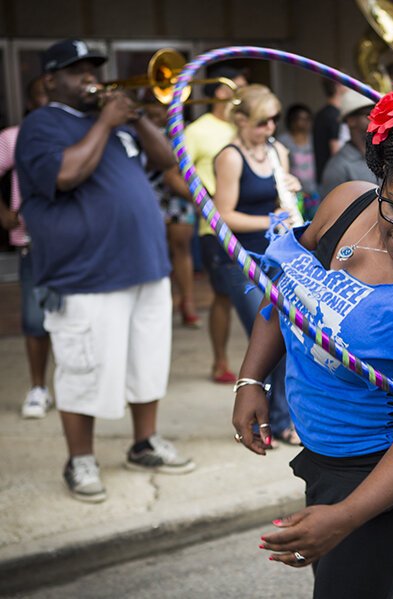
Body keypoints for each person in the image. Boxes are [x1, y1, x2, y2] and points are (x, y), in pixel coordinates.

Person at [232, 88, 393, 598]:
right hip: (322, 449)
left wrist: (345, 516)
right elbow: (284, 285)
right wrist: (252, 378)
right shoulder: (345, 204)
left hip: (380, 473)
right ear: (379, 181)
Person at [15, 39, 194, 503]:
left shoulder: (116, 125)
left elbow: (167, 160)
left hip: (144, 265)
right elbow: (66, 174)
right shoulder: (41, 125)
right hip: (85, 274)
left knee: (147, 363)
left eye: (94, 68)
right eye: (76, 71)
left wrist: (133, 117)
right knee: (85, 368)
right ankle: (80, 459)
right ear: (51, 80)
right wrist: (107, 122)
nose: (90, 77)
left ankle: (144, 443)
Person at [213, 85, 301, 446]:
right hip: (241, 260)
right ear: (240, 120)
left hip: (277, 254)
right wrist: (269, 220)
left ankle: (281, 417)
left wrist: (291, 189)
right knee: (265, 339)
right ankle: (273, 419)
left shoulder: (278, 151)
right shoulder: (231, 157)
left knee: (287, 337)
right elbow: (223, 215)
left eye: (274, 121)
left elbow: (285, 202)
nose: (270, 129)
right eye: (262, 122)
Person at [184, 65, 249, 383]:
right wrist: (208, 196)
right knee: (222, 296)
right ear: (221, 92)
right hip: (215, 228)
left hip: (250, 226)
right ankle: (220, 362)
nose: (245, 91)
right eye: (239, 86)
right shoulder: (198, 130)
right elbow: (175, 171)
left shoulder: (243, 127)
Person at [0, 76, 52, 418]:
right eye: (41, 96)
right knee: (35, 320)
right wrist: (3, 212)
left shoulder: (84, 133)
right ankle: (38, 387)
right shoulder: (13, 137)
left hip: (79, 244)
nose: (48, 102)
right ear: (31, 102)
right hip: (34, 242)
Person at [142, 101, 201, 328]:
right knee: (155, 250)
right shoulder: (138, 131)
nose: (158, 115)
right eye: (152, 112)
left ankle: (188, 302)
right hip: (150, 193)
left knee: (181, 250)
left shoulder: (184, 132)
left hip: (178, 197)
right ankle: (161, 306)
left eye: (161, 111)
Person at [318, 89, 377, 199]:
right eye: (369, 114)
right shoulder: (337, 167)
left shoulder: (384, 156)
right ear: (351, 121)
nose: (376, 118)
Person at [277, 103, 320, 219]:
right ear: (292, 120)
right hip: (295, 193)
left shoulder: (314, 138)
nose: (303, 123)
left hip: (315, 192)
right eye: (300, 119)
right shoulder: (283, 141)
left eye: (307, 119)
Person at [312, 79, 346, 184]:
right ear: (338, 86)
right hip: (335, 178)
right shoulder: (334, 116)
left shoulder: (321, 114)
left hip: (323, 174)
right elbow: (335, 150)